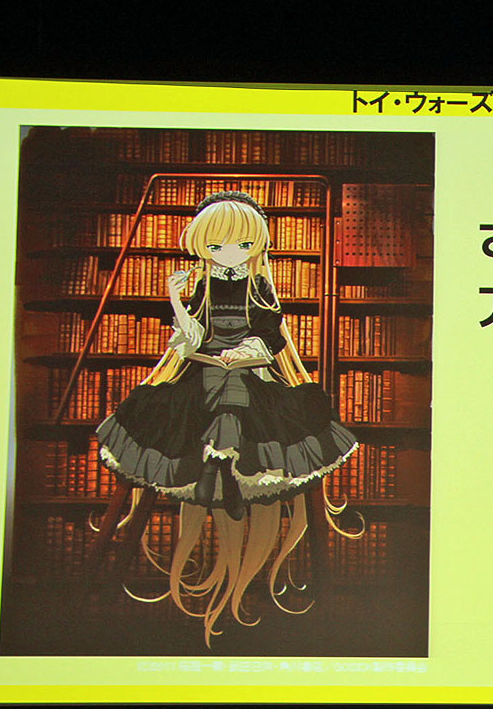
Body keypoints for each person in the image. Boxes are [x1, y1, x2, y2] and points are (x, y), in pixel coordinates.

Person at [96, 190, 358, 644]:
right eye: (216, 246)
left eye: (241, 244)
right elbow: (192, 338)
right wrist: (174, 298)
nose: (229, 253)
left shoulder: (260, 289)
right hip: (200, 374)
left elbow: (271, 336)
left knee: (233, 381)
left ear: (256, 245)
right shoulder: (201, 288)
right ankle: (222, 461)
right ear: (203, 246)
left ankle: (218, 463)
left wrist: (246, 350)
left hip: (253, 374)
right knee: (215, 381)